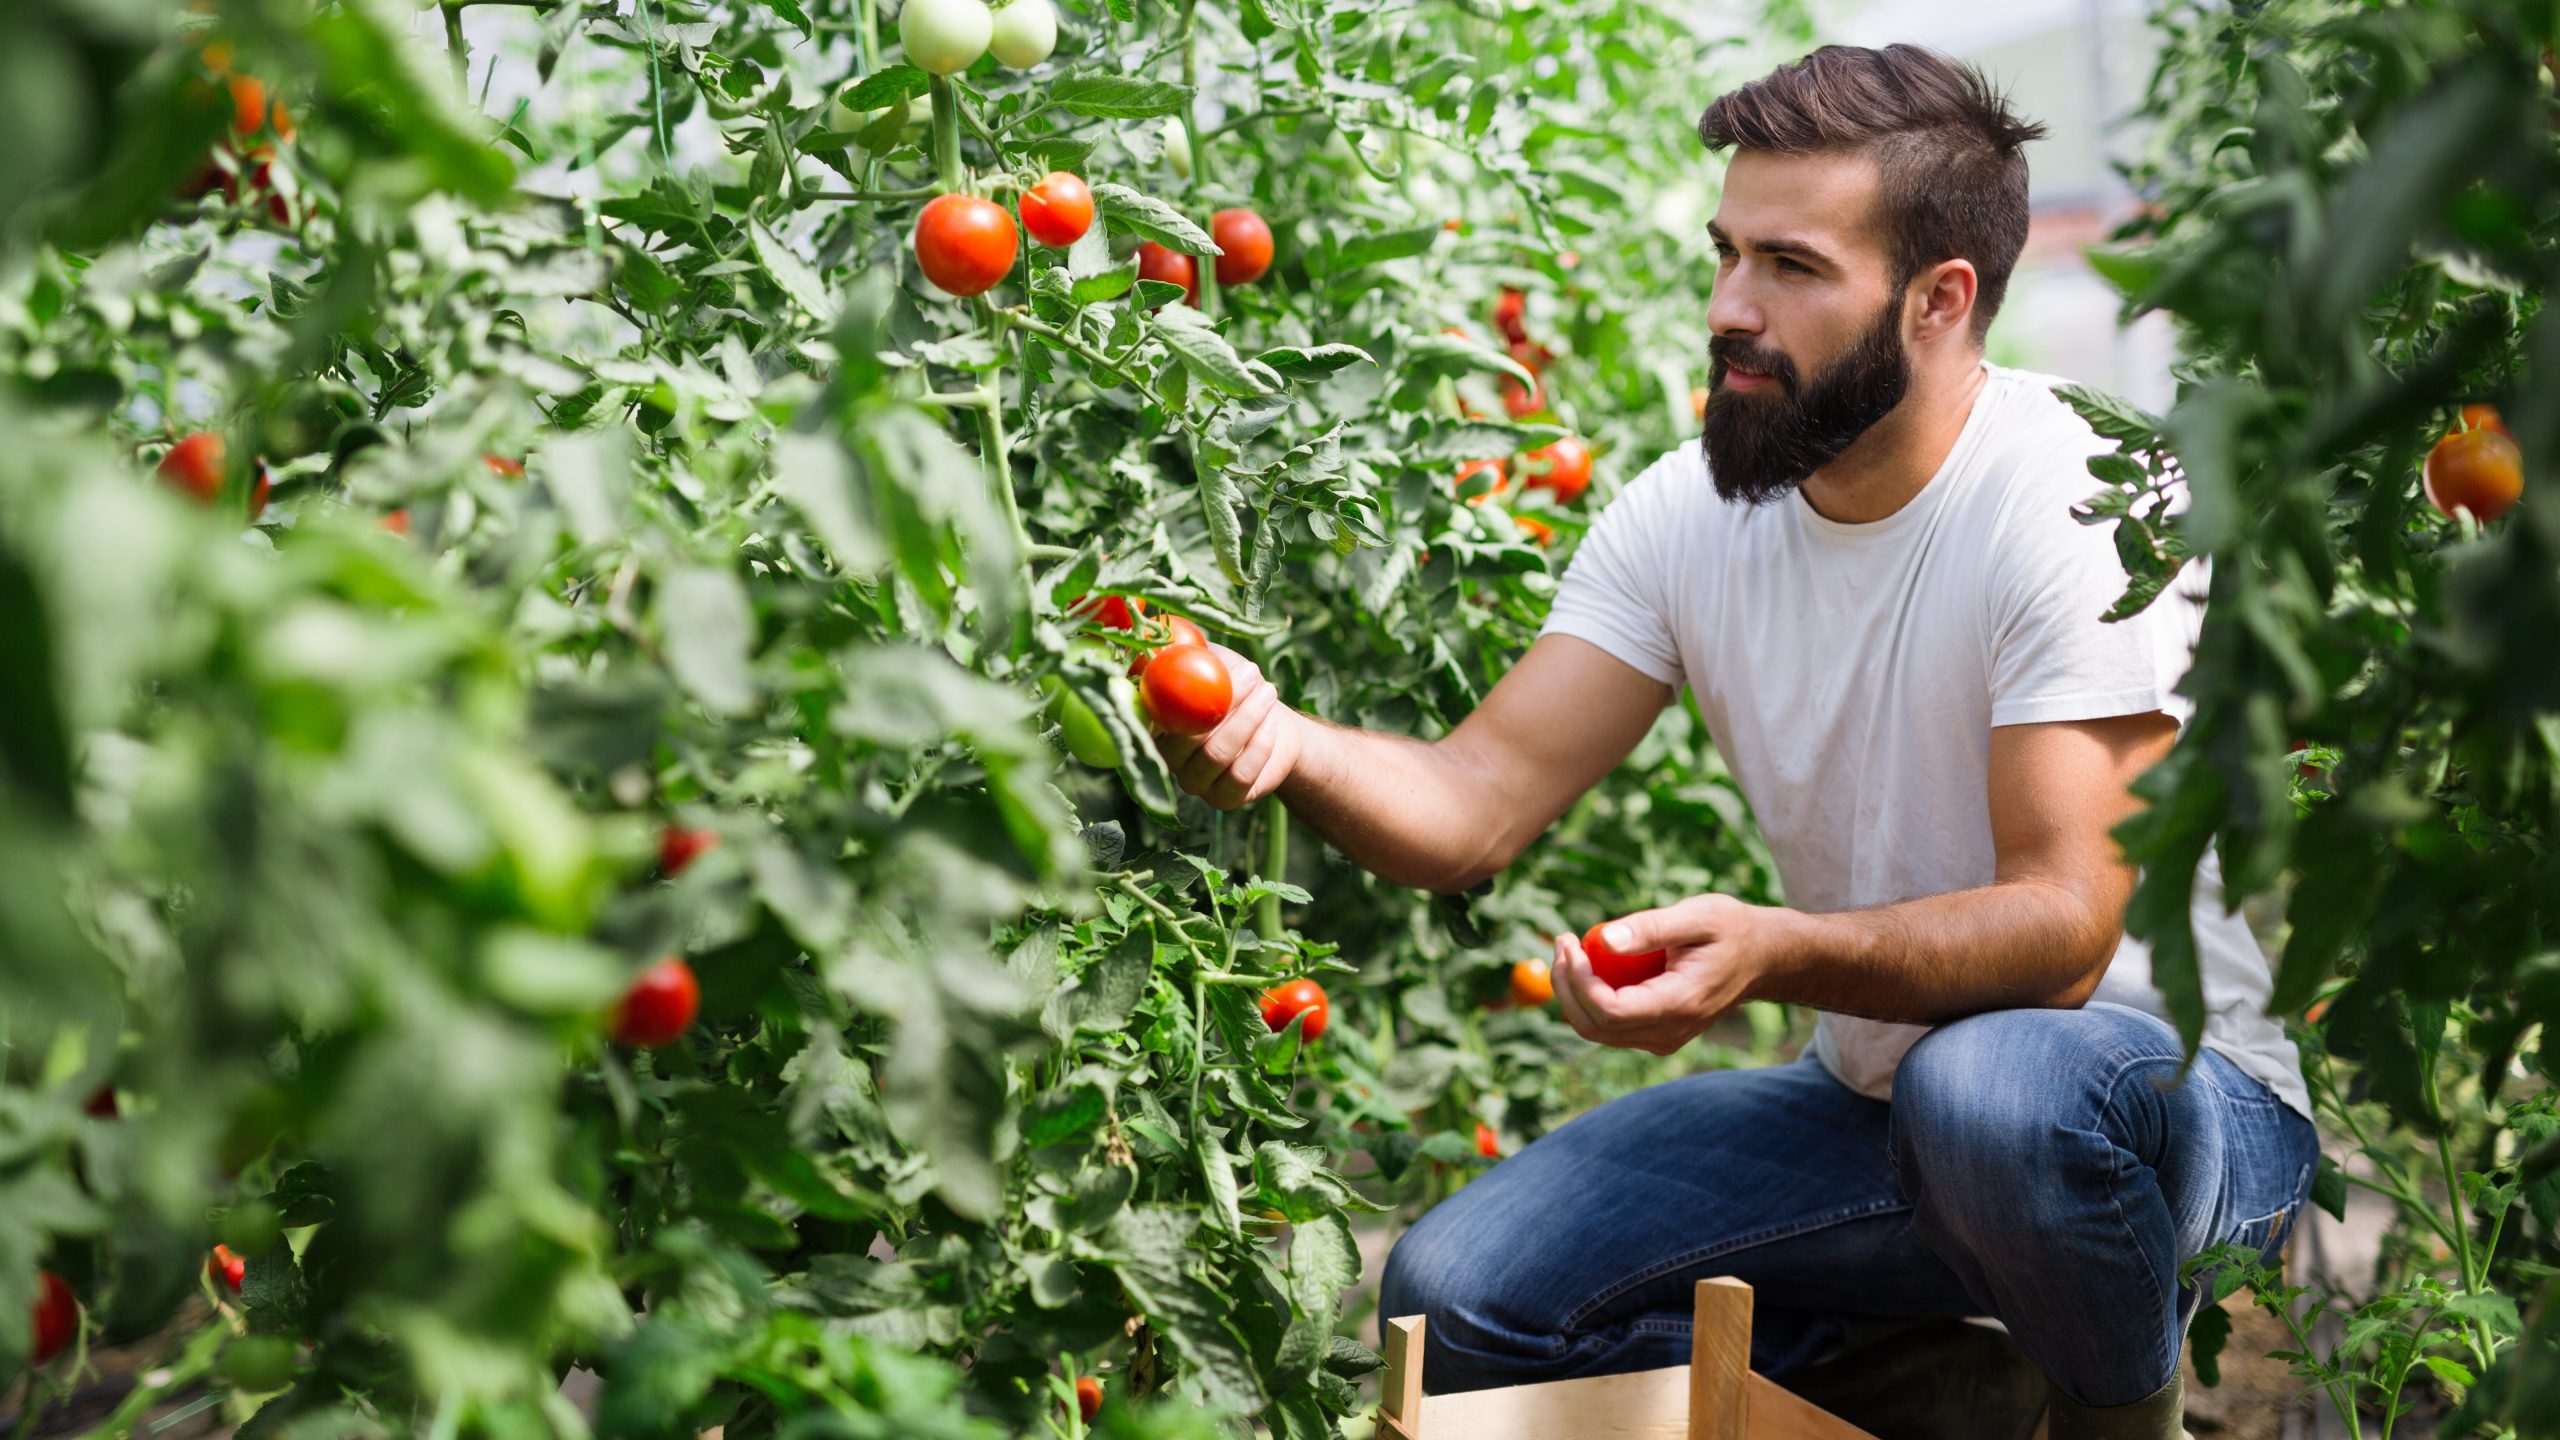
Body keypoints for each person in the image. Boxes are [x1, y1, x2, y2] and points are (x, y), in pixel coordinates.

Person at [1150, 42, 2317, 1440]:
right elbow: (1474, 799)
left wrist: (1777, 948)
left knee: (1996, 1092)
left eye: (1792, 269)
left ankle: (2118, 1422)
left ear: (1941, 300)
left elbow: (2067, 932)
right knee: (1464, 1298)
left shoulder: (2079, 501)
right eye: (1727, 255)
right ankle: (1952, 1392)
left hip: (2160, 1113)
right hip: (1889, 1111)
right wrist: (1285, 741)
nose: (1729, 310)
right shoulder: (1686, 515)